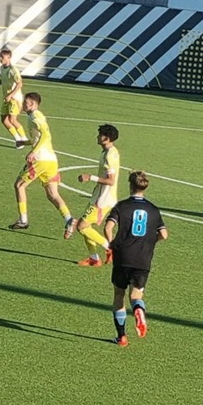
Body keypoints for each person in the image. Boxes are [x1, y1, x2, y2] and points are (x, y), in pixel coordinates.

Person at [104, 171, 168, 347]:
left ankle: (122, 337)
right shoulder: (153, 209)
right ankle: (138, 309)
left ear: (130, 185)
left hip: (123, 256)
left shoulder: (121, 206)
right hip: (143, 259)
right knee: (135, 295)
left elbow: (108, 227)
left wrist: (111, 245)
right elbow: (164, 234)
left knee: (119, 295)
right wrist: (150, 242)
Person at [8, 92, 75, 231]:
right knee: (52, 194)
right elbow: (37, 138)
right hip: (51, 161)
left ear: (32, 104)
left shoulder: (35, 117)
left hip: (40, 160)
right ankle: (69, 219)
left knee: (19, 185)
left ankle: (23, 220)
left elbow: (45, 135)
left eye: (25, 103)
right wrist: (24, 142)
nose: (22, 105)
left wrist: (33, 152)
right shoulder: (36, 116)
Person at [67, 124, 120, 267]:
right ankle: (94, 258)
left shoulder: (109, 156)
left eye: (100, 135)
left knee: (81, 226)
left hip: (103, 199)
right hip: (98, 196)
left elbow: (111, 181)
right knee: (85, 226)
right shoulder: (109, 151)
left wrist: (90, 177)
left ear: (106, 138)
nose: (97, 137)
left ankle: (109, 248)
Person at [0, 47, 29, 149]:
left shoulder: (13, 70)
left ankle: (24, 139)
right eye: (0, 57)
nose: (1, 59)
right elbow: (3, 78)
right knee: (4, 120)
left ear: (9, 58)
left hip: (15, 99)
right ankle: (18, 139)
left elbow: (20, 84)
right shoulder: (2, 68)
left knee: (12, 119)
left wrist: (11, 95)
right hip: (6, 98)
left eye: (3, 57)